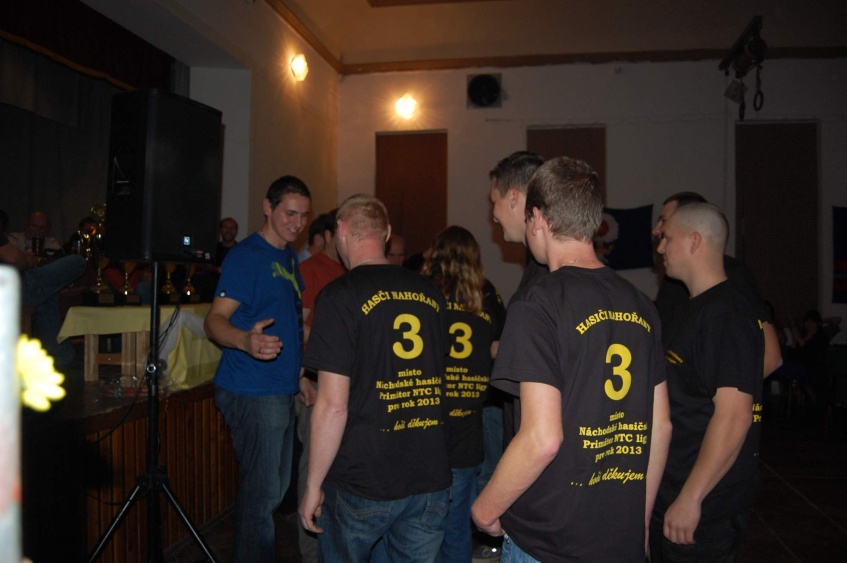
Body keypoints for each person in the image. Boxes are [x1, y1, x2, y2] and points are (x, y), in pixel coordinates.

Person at [472, 156, 671, 562]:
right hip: (618, 539)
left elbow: (543, 438)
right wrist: (640, 524)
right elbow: (661, 427)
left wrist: (485, 510)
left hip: (550, 540)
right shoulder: (641, 304)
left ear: (537, 219)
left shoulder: (539, 303)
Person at [298, 194, 451, 562]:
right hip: (428, 475)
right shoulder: (431, 293)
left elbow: (333, 406)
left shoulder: (339, 296)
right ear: (386, 233)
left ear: (341, 231)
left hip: (362, 478)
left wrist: (313, 484)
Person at [203, 175, 311, 563]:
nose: (298, 223)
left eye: (304, 216)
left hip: (279, 388)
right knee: (262, 496)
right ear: (268, 207)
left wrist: (300, 375)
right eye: (290, 213)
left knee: (272, 492)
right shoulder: (246, 256)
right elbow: (214, 321)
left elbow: (290, 321)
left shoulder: (288, 256)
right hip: (251, 388)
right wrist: (244, 341)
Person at [650, 202, 764, 562]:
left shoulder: (727, 316)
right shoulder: (690, 308)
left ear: (695, 241)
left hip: (704, 510)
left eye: (668, 238)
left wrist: (691, 497)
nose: (661, 247)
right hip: (674, 490)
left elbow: (734, 416)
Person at [420, 226, 505, 562]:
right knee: (456, 526)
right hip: (467, 429)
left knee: (421, 526)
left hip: (427, 425)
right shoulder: (486, 297)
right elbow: (500, 349)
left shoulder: (423, 295)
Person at [652, 191, 782, 378]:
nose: (656, 230)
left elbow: (771, 357)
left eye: (664, 221)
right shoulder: (672, 281)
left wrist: (724, 391)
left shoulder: (732, 275)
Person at [295, 208, 346, 563]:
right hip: (316, 381)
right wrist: (303, 376)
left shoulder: (346, 271)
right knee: (314, 465)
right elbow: (297, 326)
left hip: (342, 383)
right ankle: (311, 551)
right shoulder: (311, 269)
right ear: (329, 235)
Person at [1, 209, 85, 367]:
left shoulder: (51, 242)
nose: (37, 230)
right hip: (11, 287)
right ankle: (63, 357)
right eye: (34, 226)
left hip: (14, 285)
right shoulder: (13, 238)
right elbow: (13, 258)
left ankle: (62, 356)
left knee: (47, 296)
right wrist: (27, 260)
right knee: (78, 261)